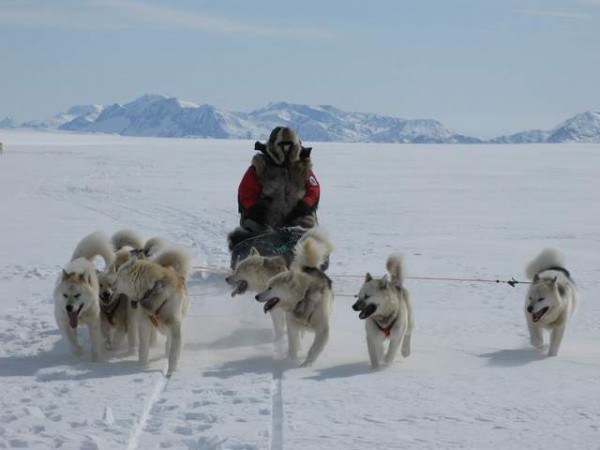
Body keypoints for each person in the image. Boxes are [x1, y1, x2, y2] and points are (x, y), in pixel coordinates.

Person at [228, 126, 320, 251]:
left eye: (289, 146)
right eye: (282, 146)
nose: (286, 150)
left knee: (311, 235)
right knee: (252, 233)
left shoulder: (302, 167)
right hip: (264, 218)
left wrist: (304, 205)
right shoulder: (260, 166)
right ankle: (251, 258)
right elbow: (246, 193)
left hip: (296, 216)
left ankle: (309, 259)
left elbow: (313, 189)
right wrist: (255, 209)